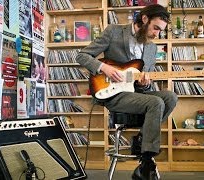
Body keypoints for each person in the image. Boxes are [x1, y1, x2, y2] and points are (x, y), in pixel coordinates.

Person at [76, 4, 178, 179]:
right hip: (114, 94)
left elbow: (141, 85)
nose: (157, 34)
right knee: (156, 102)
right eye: (155, 28)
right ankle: (146, 163)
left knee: (170, 97)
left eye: (160, 31)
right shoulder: (113, 32)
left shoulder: (152, 48)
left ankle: (141, 141)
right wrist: (104, 68)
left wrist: (145, 84)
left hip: (135, 94)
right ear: (144, 19)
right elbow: (82, 56)